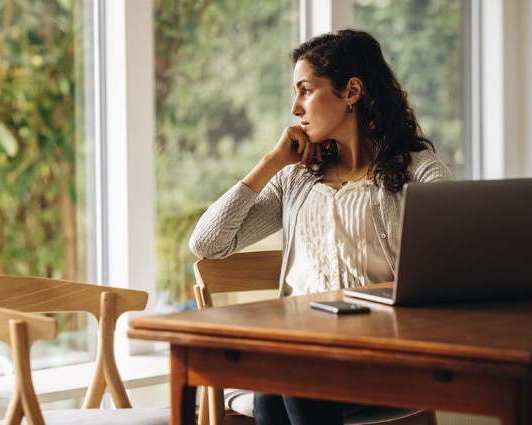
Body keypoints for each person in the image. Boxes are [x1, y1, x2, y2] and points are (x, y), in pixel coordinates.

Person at [189, 29, 453, 425]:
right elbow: (208, 242)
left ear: (352, 91)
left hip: (384, 355)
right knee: (282, 377)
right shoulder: (296, 179)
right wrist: (271, 162)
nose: (295, 107)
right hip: (298, 353)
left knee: (285, 381)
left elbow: (455, 260)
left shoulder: (419, 172)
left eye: (306, 90)